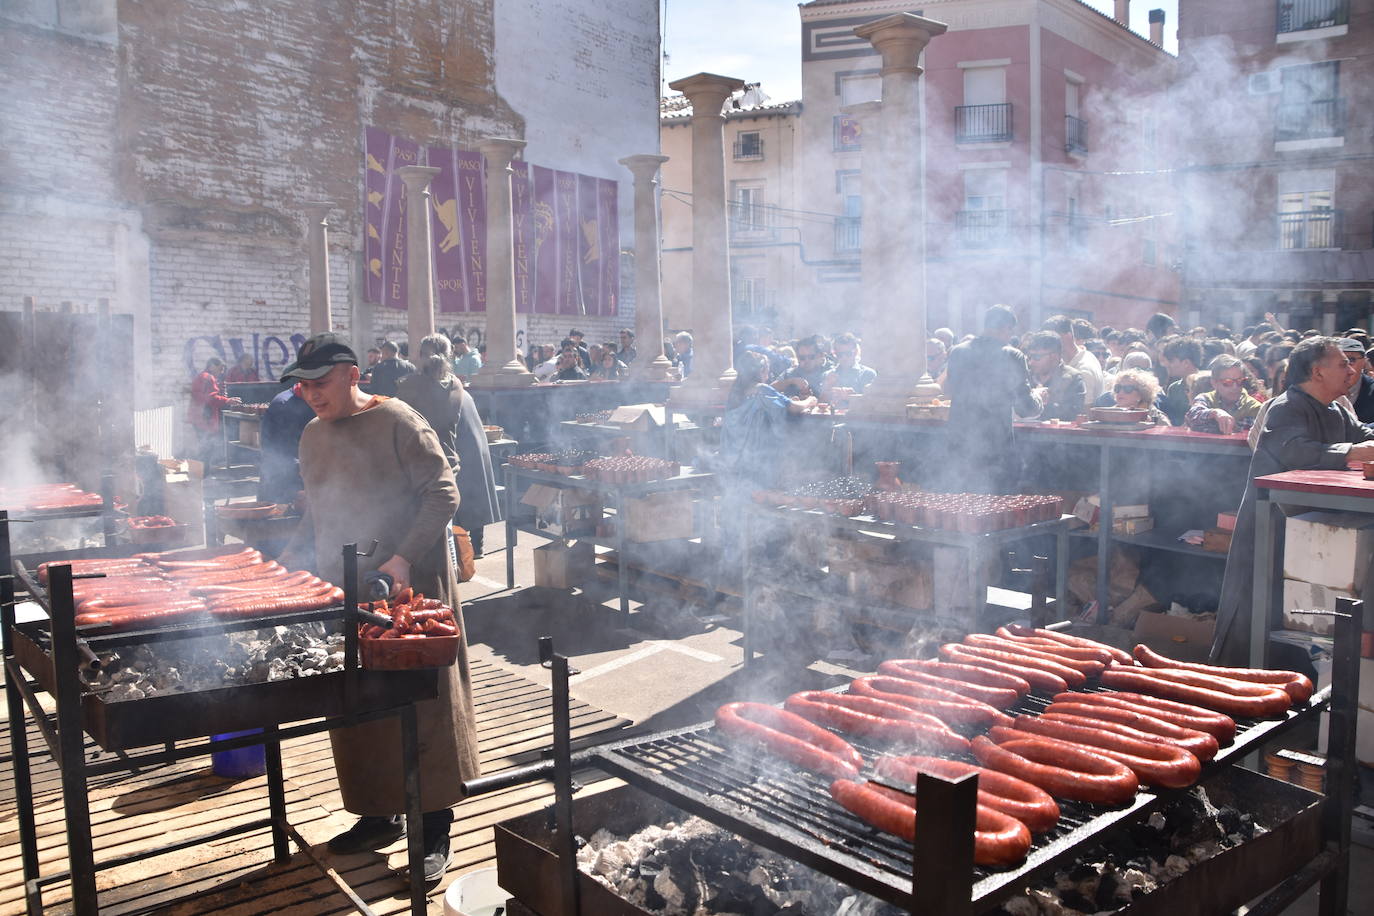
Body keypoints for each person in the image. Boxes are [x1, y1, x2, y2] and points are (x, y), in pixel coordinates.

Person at [277, 333, 479, 883]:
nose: (310, 394)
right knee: (355, 702)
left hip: (409, 587)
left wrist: (401, 559)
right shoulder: (312, 435)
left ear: (351, 374)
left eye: (320, 383)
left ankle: (435, 823)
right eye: (303, 385)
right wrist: (291, 560)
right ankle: (377, 814)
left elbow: (444, 493)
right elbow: (317, 509)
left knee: (423, 705)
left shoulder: (400, 420)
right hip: (343, 587)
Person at [1213, 337, 1374, 666]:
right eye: (1343, 363)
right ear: (1317, 372)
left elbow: (1363, 434)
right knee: (1255, 613)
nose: (1352, 370)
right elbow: (1295, 451)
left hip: (1311, 532)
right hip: (1271, 530)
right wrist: (1354, 453)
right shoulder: (1285, 406)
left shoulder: (1335, 410)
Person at [397, 349, 502, 558]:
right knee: (471, 496)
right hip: (467, 446)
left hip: (447, 452)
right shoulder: (456, 386)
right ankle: (474, 548)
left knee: (448, 504)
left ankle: (458, 555)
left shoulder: (413, 388)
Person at [942, 305, 1040, 492]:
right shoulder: (1011, 354)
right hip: (995, 446)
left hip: (958, 442)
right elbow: (1026, 408)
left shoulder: (958, 351)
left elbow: (950, 389)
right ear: (1006, 328)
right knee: (995, 507)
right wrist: (1039, 398)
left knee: (960, 502)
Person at [718, 350, 815, 488]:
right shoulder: (761, 389)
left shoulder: (735, 391)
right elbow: (793, 407)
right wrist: (810, 401)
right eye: (767, 371)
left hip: (734, 455)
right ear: (761, 370)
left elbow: (775, 403)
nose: (768, 375)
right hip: (757, 455)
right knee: (759, 491)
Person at [257, 383, 315, 504]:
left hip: (301, 472)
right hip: (281, 478)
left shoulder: (314, 401)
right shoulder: (284, 406)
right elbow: (281, 452)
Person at [1185, 354, 1263, 433]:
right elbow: (1191, 416)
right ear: (1214, 383)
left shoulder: (1255, 408)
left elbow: (1240, 431)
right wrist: (1215, 413)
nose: (1235, 387)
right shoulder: (1205, 399)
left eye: (1240, 381)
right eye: (1227, 382)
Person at [188, 357, 242, 467]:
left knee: (205, 446)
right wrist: (228, 400)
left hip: (198, 417)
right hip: (204, 418)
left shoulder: (202, 376)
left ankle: (200, 474)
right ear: (212, 366)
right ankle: (202, 475)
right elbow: (211, 398)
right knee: (207, 447)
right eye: (220, 368)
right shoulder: (208, 378)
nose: (222, 372)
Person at [1023, 330, 1086, 421]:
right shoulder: (1025, 377)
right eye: (1029, 357)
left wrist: (1043, 401)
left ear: (1054, 356)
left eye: (1037, 357)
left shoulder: (1073, 379)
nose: (1031, 362)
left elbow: (1071, 415)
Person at [1043, 315, 1104, 402]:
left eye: (1051, 339)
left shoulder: (1083, 370)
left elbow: (1085, 411)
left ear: (1068, 336)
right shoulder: (1084, 355)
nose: (1047, 344)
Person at [1337, 338, 1374, 422]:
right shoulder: (1320, 389)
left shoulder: (1371, 389)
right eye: (1339, 362)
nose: (1346, 366)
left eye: (1351, 360)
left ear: (1364, 362)